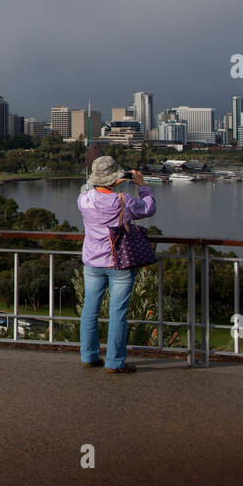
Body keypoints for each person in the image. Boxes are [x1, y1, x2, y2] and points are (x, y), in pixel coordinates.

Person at [76, 155, 156, 373]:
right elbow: (148, 208)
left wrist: (108, 181)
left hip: (92, 262)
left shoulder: (83, 199)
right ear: (114, 178)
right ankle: (114, 362)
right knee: (117, 313)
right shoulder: (123, 200)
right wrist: (141, 185)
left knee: (89, 311)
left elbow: (88, 187)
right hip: (119, 263)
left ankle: (89, 356)